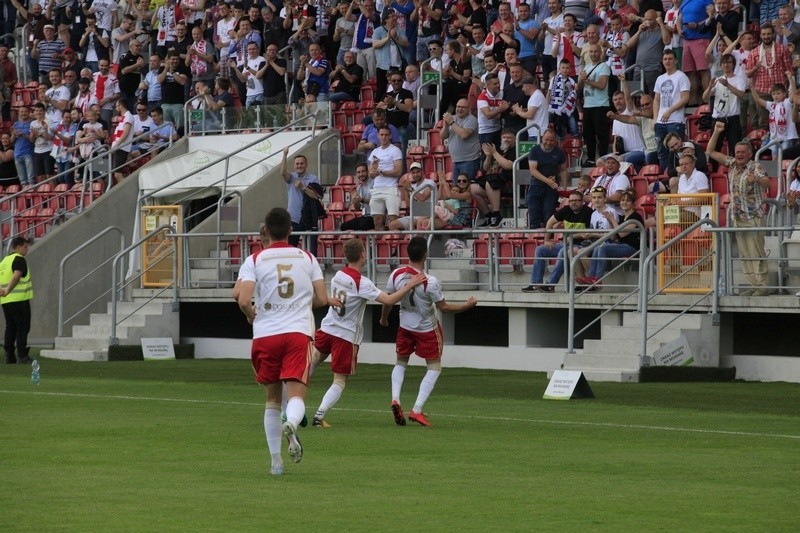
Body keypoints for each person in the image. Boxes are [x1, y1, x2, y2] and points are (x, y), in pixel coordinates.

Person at [236, 207, 337, 476]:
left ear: (266, 231)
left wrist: (251, 315)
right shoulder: (307, 257)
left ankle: (276, 463)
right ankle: (292, 423)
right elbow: (323, 299)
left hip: (265, 335)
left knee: (272, 400)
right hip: (297, 333)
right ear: (291, 231)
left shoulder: (254, 259)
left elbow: (243, 299)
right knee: (296, 393)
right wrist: (301, 303)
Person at [310, 238, 426, 428]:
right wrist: (409, 285)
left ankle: (292, 400)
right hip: (345, 336)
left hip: (328, 327)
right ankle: (319, 416)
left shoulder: (339, 274)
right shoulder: (361, 283)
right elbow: (388, 300)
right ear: (363, 254)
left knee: (314, 359)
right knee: (339, 380)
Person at [382, 236, 477, 426]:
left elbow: (388, 300)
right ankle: (416, 409)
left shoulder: (396, 274)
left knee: (401, 362)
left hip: (405, 325)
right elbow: (445, 308)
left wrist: (384, 318)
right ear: (425, 255)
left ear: (407, 253)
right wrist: (468, 305)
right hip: (426, 328)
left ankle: (395, 399)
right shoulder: (431, 281)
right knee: (434, 367)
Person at [706, 121, 771, 296]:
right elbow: (710, 151)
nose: (740, 155)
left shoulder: (755, 167)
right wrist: (717, 132)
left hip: (754, 216)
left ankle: (762, 286)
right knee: (744, 253)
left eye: (743, 152)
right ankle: (752, 284)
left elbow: (767, 182)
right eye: (738, 152)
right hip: (738, 216)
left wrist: (756, 179)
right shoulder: (732, 164)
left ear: (750, 154)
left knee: (756, 251)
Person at [522, 189, 593, 292]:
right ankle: (536, 284)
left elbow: (587, 234)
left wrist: (572, 237)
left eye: (577, 200)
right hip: (565, 244)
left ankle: (551, 284)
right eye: (572, 200)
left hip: (580, 245)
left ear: (582, 202)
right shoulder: (566, 210)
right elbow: (550, 222)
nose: (574, 202)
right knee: (540, 250)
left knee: (562, 251)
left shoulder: (588, 212)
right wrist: (547, 239)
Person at [579, 189, 644, 287]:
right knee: (598, 247)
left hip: (632, 247)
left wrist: (612, 219)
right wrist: (610, 222)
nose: (624, 202)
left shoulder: (635, 217)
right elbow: (614, 237)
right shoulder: (622, 217)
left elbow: (622, 233)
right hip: (620, 245)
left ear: (633, 203)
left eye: (627, 201)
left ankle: (597, 279)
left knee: (602, 247)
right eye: (622, 200)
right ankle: (591, 277)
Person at [744, 23, 792, 130]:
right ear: (760, 35)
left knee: (783, 119)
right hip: (762, 90)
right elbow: (748, 73)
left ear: (773, 34)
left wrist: (788, 86)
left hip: (780, 90)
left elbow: (789, 70)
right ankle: (766, 145)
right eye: (764, 34)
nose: (766, 36)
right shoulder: (754, 52)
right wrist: (755, 68)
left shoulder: (782, 49)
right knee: (764, 122)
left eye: (769, 34)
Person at [653, 48, 690, 171]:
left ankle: (679, 174)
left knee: (677, 151)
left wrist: (670, 110)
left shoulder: (681, 76)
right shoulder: (660, 78)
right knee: (661, 152)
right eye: (665, 59)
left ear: (675, 61)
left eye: (670, 59)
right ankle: (666, 176)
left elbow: (685, 98)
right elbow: (656, 99)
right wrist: (655, 118)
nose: (667, 61)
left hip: (675, 120)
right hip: (660, 121)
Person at [280, 147, 322, 253]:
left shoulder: (313, 178)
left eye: (301, 163)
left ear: (306, 164)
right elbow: (283, 172)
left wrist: (303, 187)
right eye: (297, 164)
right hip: (293, 219)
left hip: (309, 219)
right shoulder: (292, 177)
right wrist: (285, 155)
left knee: (311, 251)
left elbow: (317, 196)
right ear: (294, 166)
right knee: (290, 249)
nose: (299, 165)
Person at [702, 53, 746, 151]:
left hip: (733, 118)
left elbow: (741, 95)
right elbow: (705, 98)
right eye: (724, 63)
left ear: (733, 64)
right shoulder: (717, 80)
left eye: (729, 62)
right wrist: (709, 87)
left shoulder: (739, 79)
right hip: (718, 118)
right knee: (714, 148)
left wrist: (728, 85)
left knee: (735, 149)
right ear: (721, 65)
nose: (726, 65)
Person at [472, 128, 516, 227]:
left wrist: (494, 153)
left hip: (506, 182)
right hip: (490, 180)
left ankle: (496, 214)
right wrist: (488, 156)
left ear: (514, 139)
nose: (506, 139)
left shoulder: (514, 150)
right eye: (504, 137)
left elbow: (508, 165)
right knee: (472, 188)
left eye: (509, 137)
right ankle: (488, 216)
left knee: (491, 181)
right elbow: (485, 168)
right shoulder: (498, 149)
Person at [0, 236, 34, 365]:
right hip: (19, 300)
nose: (27, 249)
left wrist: (3, 291)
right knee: (22, 327)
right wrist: (8, 290)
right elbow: (16, 276)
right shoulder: (19, 259)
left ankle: (9, 355)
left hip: (6, 301)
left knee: (10, 327)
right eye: (25, 246)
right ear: (18, 247)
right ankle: (22, 355)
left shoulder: (4, 261)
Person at [527, 129, 568, 229]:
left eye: (551, 140)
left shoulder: (559, 152)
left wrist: (564, 187)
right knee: (534, 212)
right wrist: (547, 180)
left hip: (552, 187)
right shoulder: (535, 150)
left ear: (555, 140)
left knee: (548, 212)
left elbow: (564, 170)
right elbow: (533, 170)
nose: (548, 142)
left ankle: (548, 238)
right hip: (536, 184)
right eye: (546, 139)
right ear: (542, 139)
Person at [577, 43, 610, 166]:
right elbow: (578, 89)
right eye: (591, 52)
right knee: (588, 133)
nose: (593, 54)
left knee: (601, 133)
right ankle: (591, 158)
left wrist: (587, 80)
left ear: (600, 52)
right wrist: (581, 79)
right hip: (588, 105)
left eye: (596, 51)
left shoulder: (604, 66)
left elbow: (602, 85)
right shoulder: (586, 68)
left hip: (601, 104)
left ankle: (603, 157)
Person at [750, 75, 798, 158]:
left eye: (778, 93)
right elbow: (758, 100)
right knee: (774, 159)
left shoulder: (787, 103)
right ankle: (774, 171)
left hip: (788, 137)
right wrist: (751, 87)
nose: (775, 96)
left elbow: (794, 94)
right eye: (773, 94)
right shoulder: (771, 105)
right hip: (775, 138)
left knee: (784, 157)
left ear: (784, 94)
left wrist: (791, 79)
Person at [369, 127, 405, 231]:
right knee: (377, 221)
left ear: (390, 136)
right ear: (378, 136)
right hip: (377, 189)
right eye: (382, 135)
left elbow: (398, 171)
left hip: (390, 188)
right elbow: (371, 174)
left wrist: (381, 172)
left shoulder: (395, 150)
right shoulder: (375, 152)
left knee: (393, 220)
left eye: (386, 135)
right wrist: (375, 171)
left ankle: (395, 245)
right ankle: (383, 245)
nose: (384, 137)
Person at [441, 98, 480, 184]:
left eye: (463, 107)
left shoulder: (472, 119)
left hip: (469, 160)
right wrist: (446, 126)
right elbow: (442, 136)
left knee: (465, 188)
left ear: (468, 108)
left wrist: (451, 123)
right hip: (455, 160)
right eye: (458, 107)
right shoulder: (453, 118)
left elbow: (464, 134)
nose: (460, 109)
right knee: (456, 188)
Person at [389, 162, 436, 230]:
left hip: (428, 213)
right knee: (392, 225)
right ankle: (402, 240)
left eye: (418, 172)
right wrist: (406, 190)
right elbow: (409, 205)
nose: (416, 175)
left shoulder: (430, 182)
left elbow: (423, 198)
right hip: (415, 214)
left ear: (422, 172)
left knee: (420, 223)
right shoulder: (413, 186)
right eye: (413, 173)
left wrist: (410, 189)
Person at [11, 106, 35, 187]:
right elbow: (11, 141)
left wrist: (23, 134)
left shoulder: (32, 123)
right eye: (21, 112)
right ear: (19, 113)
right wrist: (14, 135)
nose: (23, 113)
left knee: (31, 180)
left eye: (25, 112)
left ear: (29, 113)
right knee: (23, 181)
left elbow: (33, 140)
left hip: (28, 153)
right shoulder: (16, 124)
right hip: (17, 153)